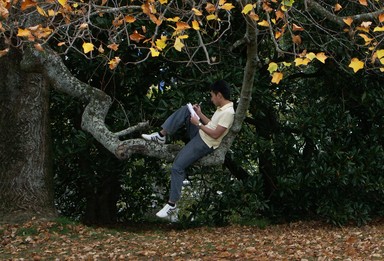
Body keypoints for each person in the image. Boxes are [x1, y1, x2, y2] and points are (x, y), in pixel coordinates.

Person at [141, 80, 235, 220]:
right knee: (187, 110)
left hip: (204, 143)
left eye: (212, 96)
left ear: (219, 95)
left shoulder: (228, 112)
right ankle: (161, 135)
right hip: (202, 134)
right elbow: (212, 125)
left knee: (177, 166)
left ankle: (172, 205)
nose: (211, 99)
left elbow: (216, 134)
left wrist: (198, 124)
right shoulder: (222, 108)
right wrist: (199, 114)